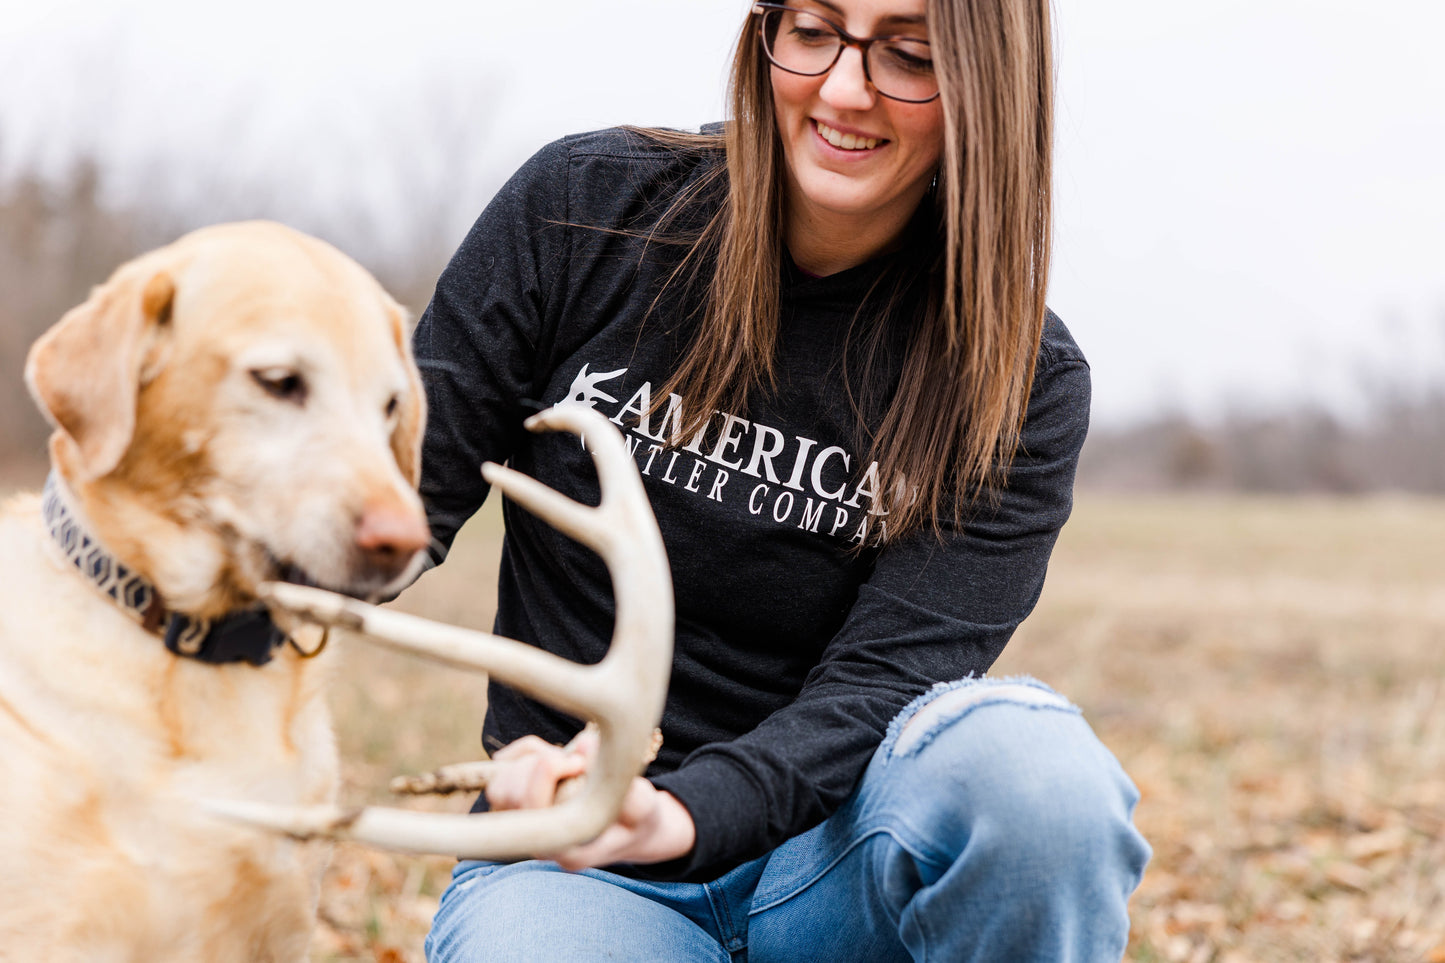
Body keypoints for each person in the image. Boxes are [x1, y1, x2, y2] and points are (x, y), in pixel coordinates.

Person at [415, 0, 1150, 959]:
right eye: (811, 31)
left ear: (988, 87)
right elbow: (396, 501)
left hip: (830, 872)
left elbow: (885, 680)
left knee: (1033, 776)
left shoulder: (1021, 380)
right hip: (576, 862)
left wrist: (685, 810)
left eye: (908, 54)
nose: (843, 91)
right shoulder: (584, 209)